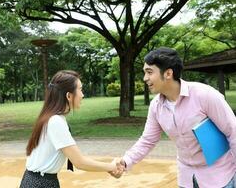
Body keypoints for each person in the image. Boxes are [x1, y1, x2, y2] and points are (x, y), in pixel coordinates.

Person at [110, 47, 236, 188]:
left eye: (149, 72)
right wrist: (126, 161)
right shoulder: (156, 106)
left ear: (168, 73)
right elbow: (148, 140)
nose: (145, 78)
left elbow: (233, 132)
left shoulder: (204, 95)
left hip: (219, 176)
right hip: (186, 177)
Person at [20, 70, 123, 188]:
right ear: (69, 96)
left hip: (39, 181)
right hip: (41, 184)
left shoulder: (53, 117)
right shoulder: (55, 121)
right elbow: (79, 162)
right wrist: (111, 167)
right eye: (80, 89)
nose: (82, 95)